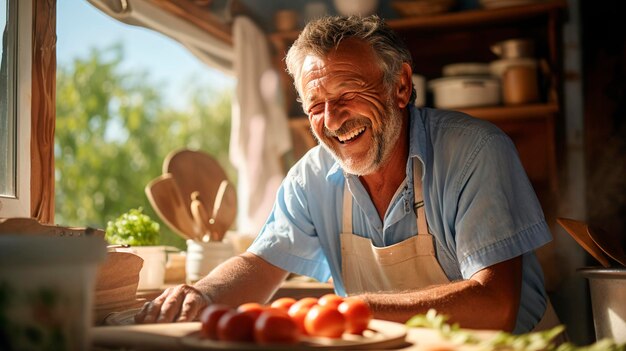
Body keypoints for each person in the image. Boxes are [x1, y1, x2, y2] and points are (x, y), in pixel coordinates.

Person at [135, 15, 558, 334]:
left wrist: (354, 309)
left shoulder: (474, 152)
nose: (333, 119)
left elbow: (496, 304)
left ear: (401, 86)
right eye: (315, 104)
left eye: (349, 93)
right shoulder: (310, 179)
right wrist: (200, 294)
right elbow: (259, 264)